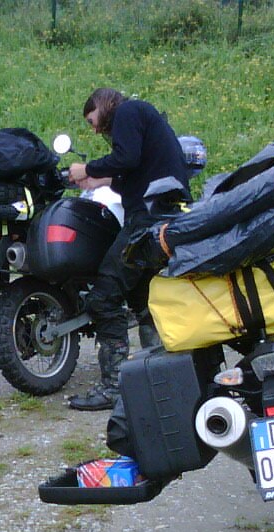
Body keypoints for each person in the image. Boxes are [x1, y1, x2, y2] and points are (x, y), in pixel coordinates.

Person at [66, 87, 190, 411]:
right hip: (162, 215)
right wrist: (102, 182)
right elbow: (136, 171)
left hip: (147, 219)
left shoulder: (127, 111)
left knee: (104, 296)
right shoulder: (142, 117)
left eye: (93, 120)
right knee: (143, 297)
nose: (94, 129)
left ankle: (113, 388)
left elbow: (127, 158)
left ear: (103, 106)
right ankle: (160, 375)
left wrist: (87, 169)